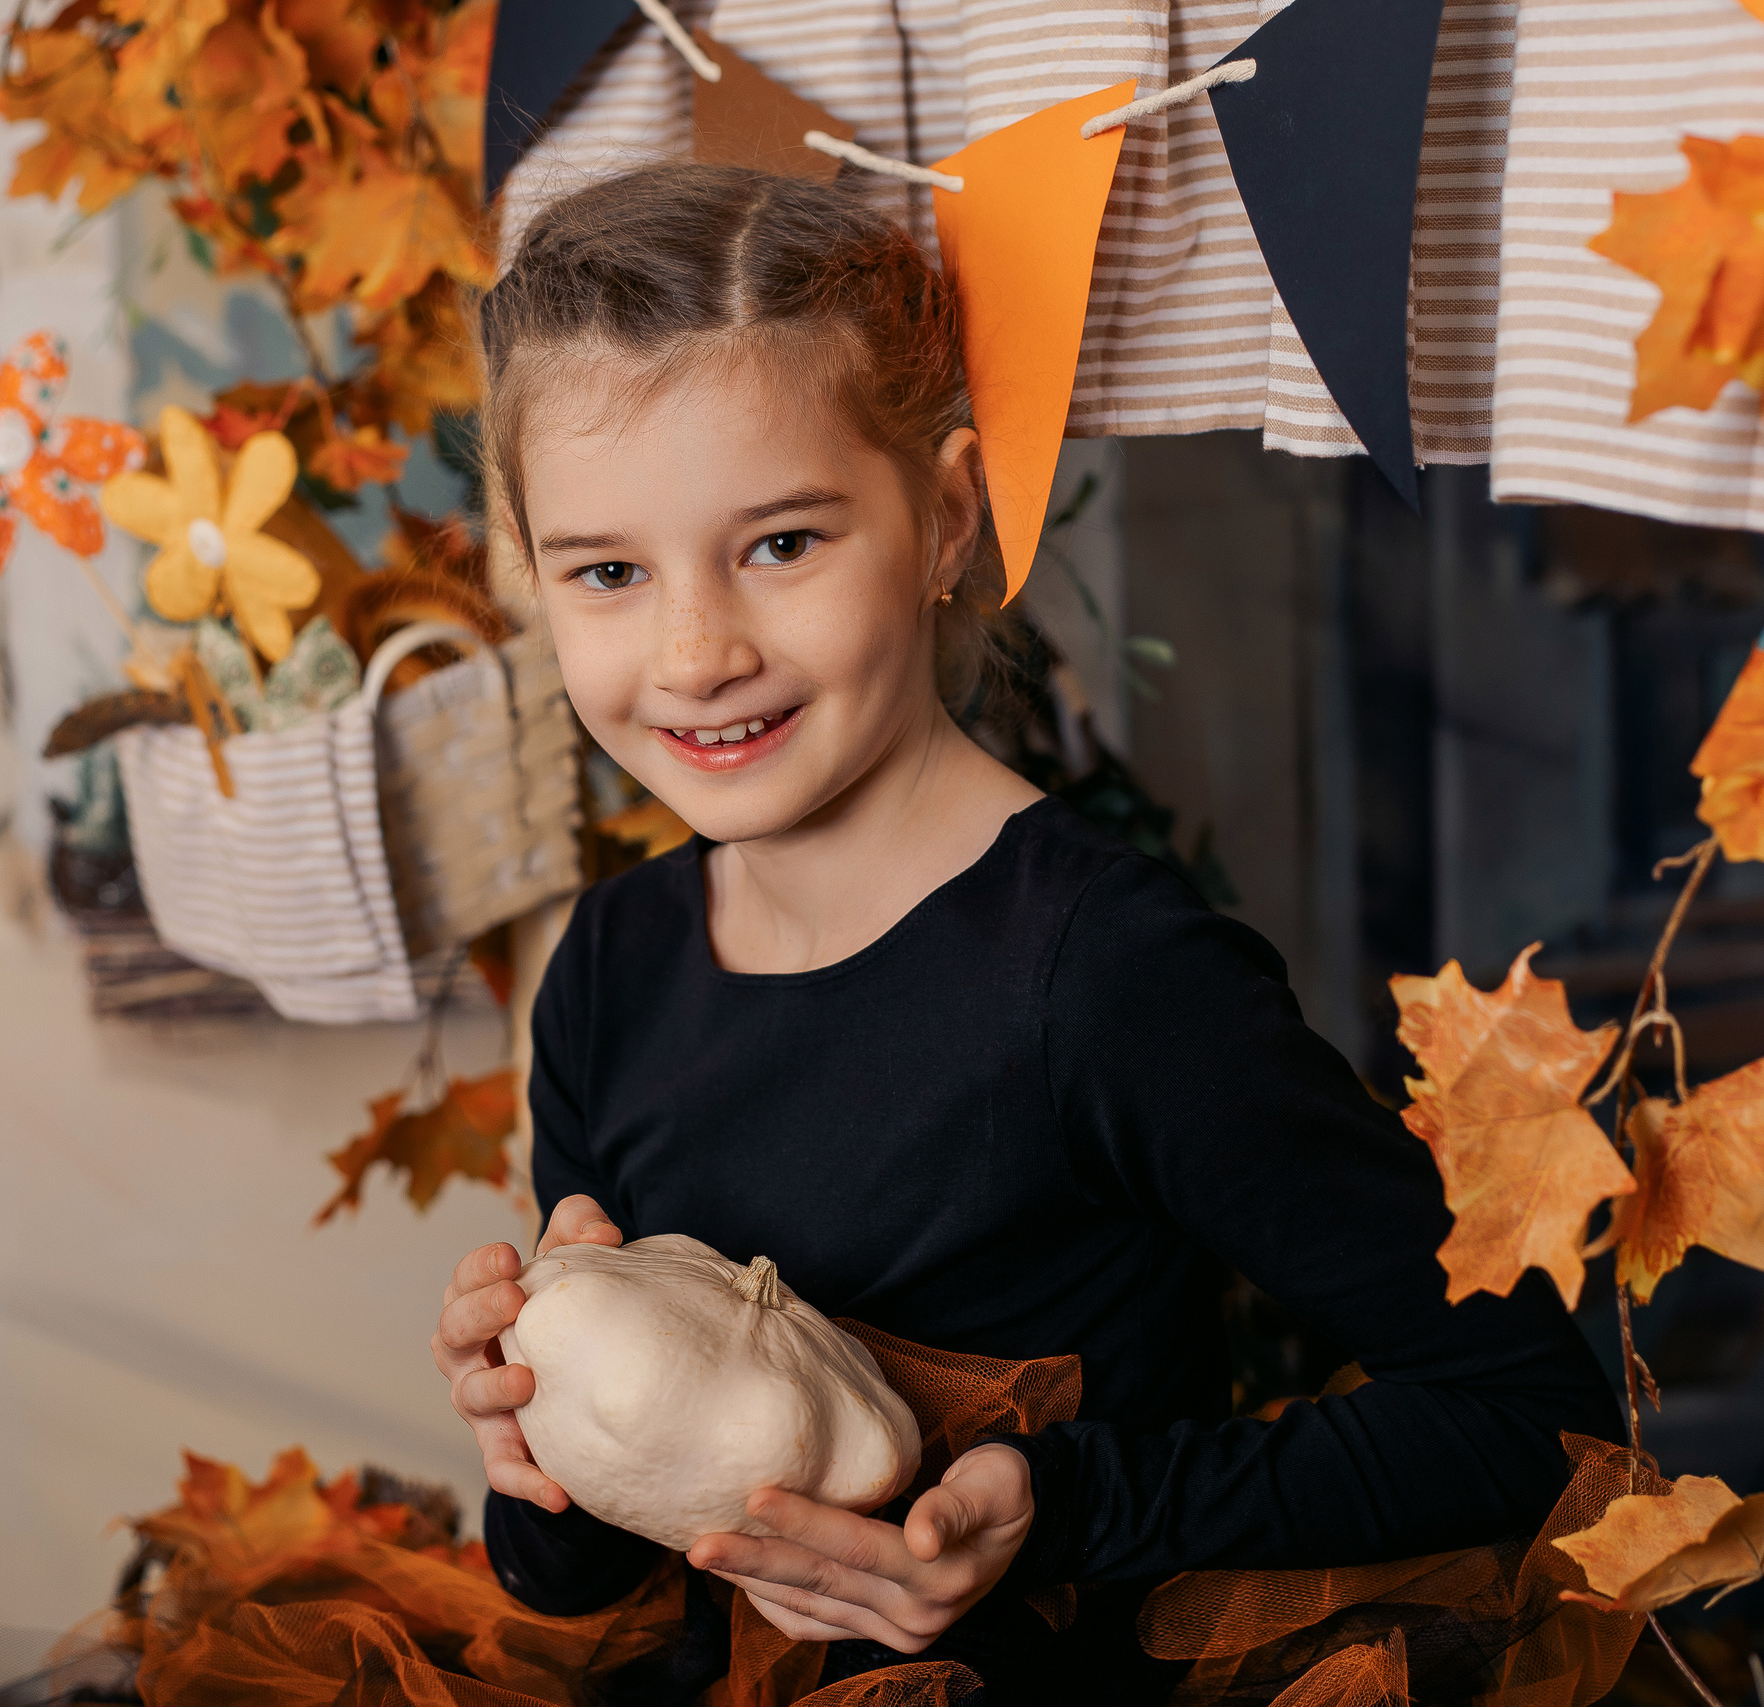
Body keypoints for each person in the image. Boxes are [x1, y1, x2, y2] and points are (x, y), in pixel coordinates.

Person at [428, 162, 1622, 1702]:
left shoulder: (1110, 977)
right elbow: (578, 1582)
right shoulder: (610, 968)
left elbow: (1529, 1412)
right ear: (530, 583)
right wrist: (530, 1430)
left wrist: (1065, 1510)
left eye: (781, 544)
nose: (696, 652)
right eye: (607, 572)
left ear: (942, 518)